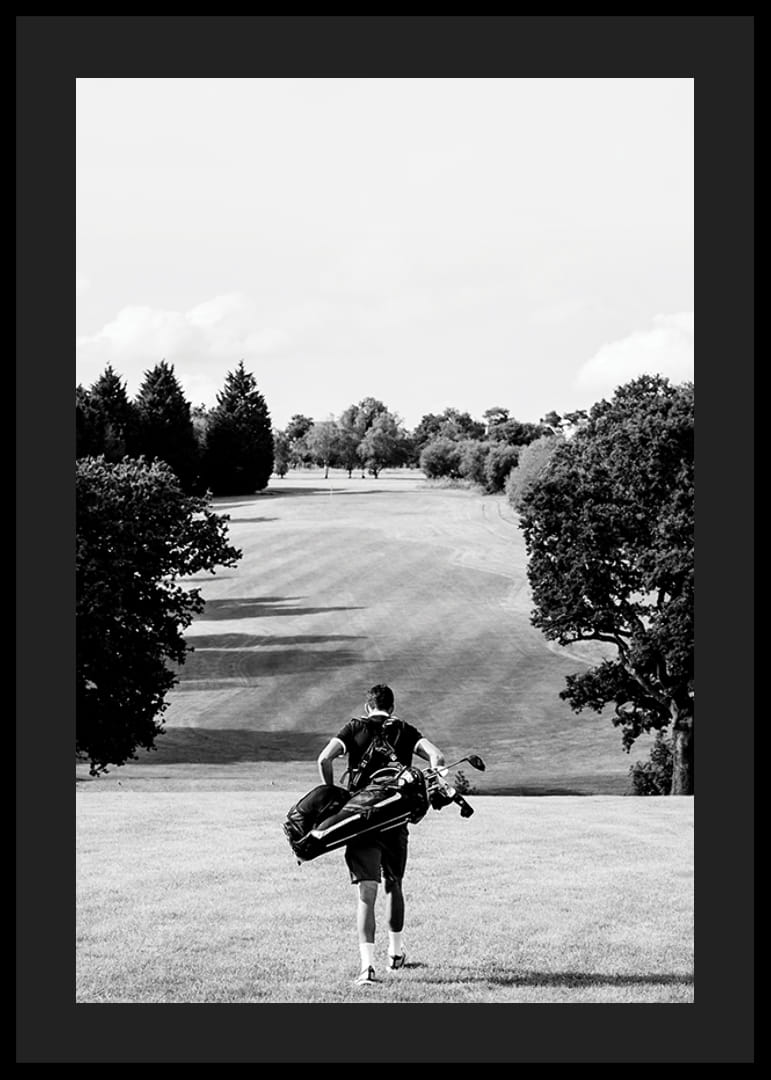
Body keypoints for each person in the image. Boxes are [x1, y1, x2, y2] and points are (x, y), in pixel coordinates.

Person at [316, 683, 445, 986]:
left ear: (367, 707)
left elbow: (324, 759)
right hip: (396, 820)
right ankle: (395, 956)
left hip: (360, 821)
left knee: (366, 893)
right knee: (394, 884)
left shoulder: (354, 727)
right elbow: (437, 757)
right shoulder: (404, 729)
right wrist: (434, 784)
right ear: (392, 707)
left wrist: (335, 794)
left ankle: (366, 969)